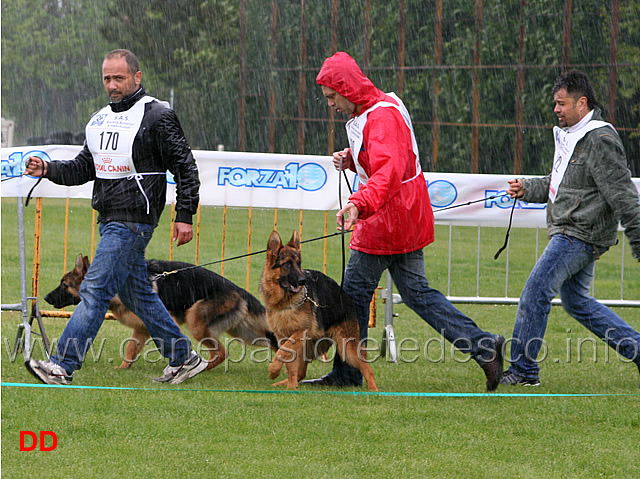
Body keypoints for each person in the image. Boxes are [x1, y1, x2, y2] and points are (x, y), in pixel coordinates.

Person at [301, 51, 505, 391]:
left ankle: (347, 374)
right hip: (403, 217)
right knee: (418, 295)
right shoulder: (379, 107)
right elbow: (389, 156)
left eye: (332, 96)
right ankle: (484, 346)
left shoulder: (381, 118)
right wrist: (353, 159)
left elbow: (389, 171)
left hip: (386, 220)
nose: (330, 105)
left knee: (351, 298)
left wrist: (357, 203)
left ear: (347, 89)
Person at [24, 49, 208, 385]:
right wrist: (49, 168)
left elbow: (185, 167)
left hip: (134, 220)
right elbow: (84, 167)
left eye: (119, 78)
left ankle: (61, 365)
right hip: (109, 217)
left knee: (94, 290)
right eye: (107, 78)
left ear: (137, 77)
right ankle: (184, 358)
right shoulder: (99, 119)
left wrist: (185, 214)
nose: (112, 85)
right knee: (138, 294)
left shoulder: (157, 116)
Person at [501, 70, 640, 387]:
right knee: (576, 302)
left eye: (561, 104)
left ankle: (523, 371)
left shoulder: (600, 139)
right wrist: (529, 188)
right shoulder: (574, 136)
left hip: (578, 234)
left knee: (535, 293)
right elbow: (563, 185)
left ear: (582, 102)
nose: (556, 110)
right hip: (572, 230)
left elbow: (623, 194)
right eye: (555, 104)